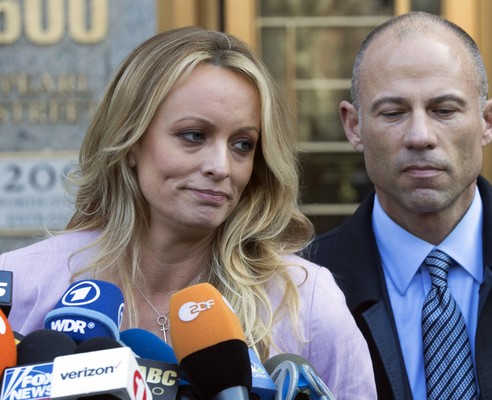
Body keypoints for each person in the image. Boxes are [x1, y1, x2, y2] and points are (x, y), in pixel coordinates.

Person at [0, 26, 376, 398]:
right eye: (194, 136)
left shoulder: (305, 301)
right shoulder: (22, 286)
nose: (221, 166)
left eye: (242, 144)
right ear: (130, 141)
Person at [305, 11, 492, 400]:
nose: (420, 136)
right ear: (354, 127)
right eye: (393, 112)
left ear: (488, 121)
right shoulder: (302, 288)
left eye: (444, 110)